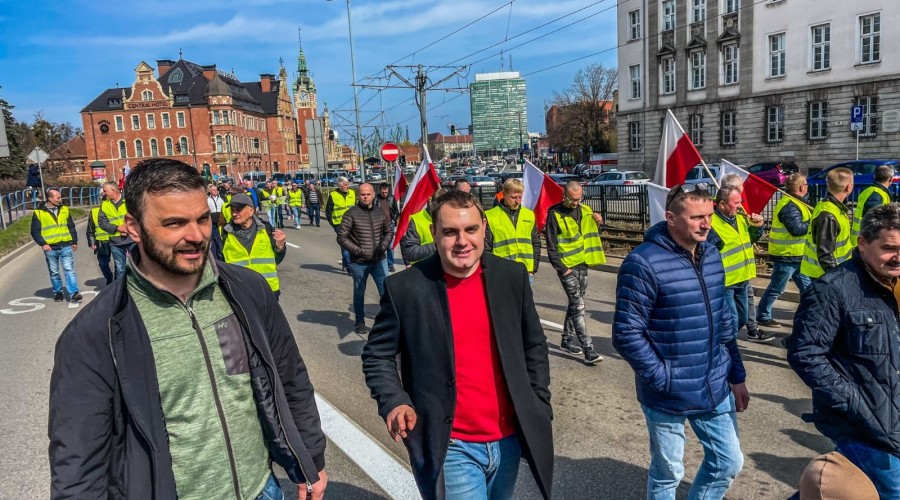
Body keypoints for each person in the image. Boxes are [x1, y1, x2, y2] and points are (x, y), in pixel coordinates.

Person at [48, 158, 327, 500]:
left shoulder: (247, 290)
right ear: (133, 228)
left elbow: (288, 376)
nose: (196, 236)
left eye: (202, 219)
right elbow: (78, 460)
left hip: (263, 490)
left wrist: (310, 458)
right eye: (175, 223)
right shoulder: (94, 332)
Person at [362, 190, 553, 500]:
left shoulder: (511, 276)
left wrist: (539, 401)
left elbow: (534, 345)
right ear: (435, 234)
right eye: (450, 232)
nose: (462, 241)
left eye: (470, 230)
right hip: (453, 445)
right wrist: (394, 400)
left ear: (484, 229)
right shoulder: (405, 288)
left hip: (508, 441)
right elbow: (377, 355)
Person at [613, 183, 748, 500]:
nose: (706, 224)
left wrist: (736, 375)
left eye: (710, 216)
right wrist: (663, 377)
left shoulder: (713, 254)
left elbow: (724, 320)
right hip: (667, 393)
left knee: (728, 462)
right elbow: (626, 333)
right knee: (668, 473)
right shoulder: (642, 262)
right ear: (671, 218)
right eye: (697, 217)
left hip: (715, 384)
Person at [788, 203, 900, 499]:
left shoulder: (895, 282)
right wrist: (852, 400)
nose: (898, 257)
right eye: (889, 248)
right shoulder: (832, 289)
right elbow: (805, 353)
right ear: (863, 244)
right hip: (866, 427)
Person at [544, 180, 605, 364]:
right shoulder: (554, 214)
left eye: (579, 199)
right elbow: (551, 247)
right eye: (572, 199)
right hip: (567, 268)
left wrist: (599, 222)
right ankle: (588, 349)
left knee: (574, 304)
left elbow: (591, 234)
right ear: (564, 196)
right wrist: (563, 269)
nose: (576, 203)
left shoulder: (585, 211)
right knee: (579, 306)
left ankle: (566, 340)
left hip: (582, 264)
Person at [707, 185, 772, 342]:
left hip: (742, 278)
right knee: (732, 320)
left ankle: (721, 344)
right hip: (726, 281)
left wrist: (758, 227)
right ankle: (724, 351)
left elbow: (750, 239)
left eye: (740, 201)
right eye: (736, 202)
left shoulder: (741, 218)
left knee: (743, 318)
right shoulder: (711, 224)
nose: (740, 205)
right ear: (722, 204)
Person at [757, 174, 812, 328]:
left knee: (808, 289)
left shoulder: (795, 203)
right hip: (786, 255)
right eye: (806, 184)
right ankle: (763, 315)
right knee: (777, 288)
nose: (807, 187)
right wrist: (814, 223)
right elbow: (796, 229)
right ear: (802, 187)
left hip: (796, 255)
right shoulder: (789, 205)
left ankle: (808, 315)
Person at [337, 183, 392, 334]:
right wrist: (358, 251)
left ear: (373, 195)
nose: (365, 197)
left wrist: (384, 246)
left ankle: (388, 321)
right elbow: (342, 237)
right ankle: (360, 321)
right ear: (358, 196)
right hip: (359, 262)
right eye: (362, 194)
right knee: (359, 292)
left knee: (386, 292)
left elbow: (388, 232)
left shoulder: (380, 213)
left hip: (379, 260)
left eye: (368, 194)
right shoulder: (351, 213)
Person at [216, 193, 287, 300]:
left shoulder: (266, 229)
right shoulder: (223, 233)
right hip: (239, 292)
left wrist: (280, 247)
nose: (234, 214)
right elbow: (218, 266)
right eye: (232, 210)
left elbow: (275, 260)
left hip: (268, 289)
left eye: (238, 210)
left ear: (251, 211)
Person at [800, 167, 853, 280]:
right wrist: (837, 278)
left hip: (829, 273)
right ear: (849, 187)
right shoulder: (828, 215)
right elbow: (825, 254)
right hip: (825, 275)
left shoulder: (830, 207)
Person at [484, 178, 540, 284]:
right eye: (513, 197)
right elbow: (486, 247)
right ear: (504, 194)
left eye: (520, 197)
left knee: (523, 301)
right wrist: (490, 271)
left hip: (525, 271)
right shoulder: (491, 215)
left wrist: (533, 269)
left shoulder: (529, 214)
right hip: (500, 272)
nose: (517, 201)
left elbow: (536, 243)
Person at [31, 188, 82, 303]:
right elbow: (35, 231)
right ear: (50, 198)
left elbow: (71, 226)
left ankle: (74, 293)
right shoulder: (38, 213)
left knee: (69, 269)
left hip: (65, 245)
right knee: (54, 272)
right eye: (58, 198)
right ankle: (58, 292)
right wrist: (43, 243)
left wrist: (74, 241)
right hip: (50, 248)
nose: (60, 199)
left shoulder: (64, 209)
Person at [399, 189, 447, 266]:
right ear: (432, 204)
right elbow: (410, 253)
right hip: (423, 271)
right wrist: (436, 245)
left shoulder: (452, 219)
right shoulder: (416, 220)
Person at [98, 182, 134, 280]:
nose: (104, 193)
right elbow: (102, 223)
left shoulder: (129, 201)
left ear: (113, 191)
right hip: (115, 241)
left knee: (137, 266)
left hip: (132, 239)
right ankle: (120, 291)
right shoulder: (104, 205)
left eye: (105, 191)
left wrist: (127, 228)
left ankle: (138, 289)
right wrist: (118, 228)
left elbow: (137, 216)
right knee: (120, 268)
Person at [850, 164, 894, 246]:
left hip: (860, 239)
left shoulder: (869, 191)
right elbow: (873, 222)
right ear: (890, 179)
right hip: (867, 241)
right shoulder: (877, 194)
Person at [326, 177, 356, 273]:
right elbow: (328, 211)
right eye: (345, 184)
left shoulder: (352, 193)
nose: (348, 186)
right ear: (340, 186)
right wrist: (333, 223)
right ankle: (349, 268)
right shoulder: (333, 195)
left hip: (352, 223)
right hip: (339, 225)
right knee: (345, 247)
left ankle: (345, 263)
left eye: (347, 184)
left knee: (352, 244)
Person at [86, 193, 114, 286]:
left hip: (116, 240)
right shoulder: (94, 212)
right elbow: (90, 228)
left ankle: (118, 283)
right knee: (103, 264)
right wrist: (91, 242)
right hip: (101, 242)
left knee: (120, 265)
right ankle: (109, 278)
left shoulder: (116, 210)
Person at [375, 182, 400, 272]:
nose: (384, 194)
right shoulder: (375, 199)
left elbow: (396, 211)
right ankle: (378, 264)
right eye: (383, 192)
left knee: (390, 246)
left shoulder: (391, 198)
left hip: (389, 225)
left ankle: (390, 264)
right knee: (378, 245)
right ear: (380, 190)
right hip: (378, 225)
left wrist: (393, 221)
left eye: (386, 192)